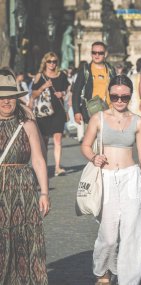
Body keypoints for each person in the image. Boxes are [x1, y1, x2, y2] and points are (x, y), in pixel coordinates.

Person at [81, 74, 141, 285]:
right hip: (106, 178)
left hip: (132, 178)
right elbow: (85, 145)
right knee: (109, 235)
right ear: (109, 95)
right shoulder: (98, 118)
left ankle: (128, 281)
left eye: (124, 97)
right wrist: (94, 157)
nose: (119, 100)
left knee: (132, 234)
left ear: (130, 96)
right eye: (115, 96)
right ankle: (103, 272)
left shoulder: (138, 121)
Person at [0, 67, 50, 284]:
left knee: (23, 238)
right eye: (2, 97)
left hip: (24, 189)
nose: (6, 102)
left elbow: (38, 159)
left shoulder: (27, 124)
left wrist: (44, 193)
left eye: (10, 97)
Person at [32, 52, 70, 176]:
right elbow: (33, 95)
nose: (52, 64)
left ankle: (57, 167)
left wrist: (62, 94)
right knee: (44, 141)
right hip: (44, 112)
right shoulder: (39, 76)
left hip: (58, 110)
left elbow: (69, 90)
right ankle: (44, 167)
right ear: (45, 62)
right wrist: (43, 86)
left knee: (58, 140)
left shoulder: (62, 75)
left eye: (54, 61)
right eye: (50, 61)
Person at [72, 41, 116, 125]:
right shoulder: (85, 70)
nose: (97, 55)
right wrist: (76, 111)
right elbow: (76, 92)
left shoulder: (111, 70)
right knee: (91, 138)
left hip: (109, 111)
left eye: (100, 53)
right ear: (91, 54)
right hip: (91, 111)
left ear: (105, 54)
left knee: (107, 138)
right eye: (94, 52)